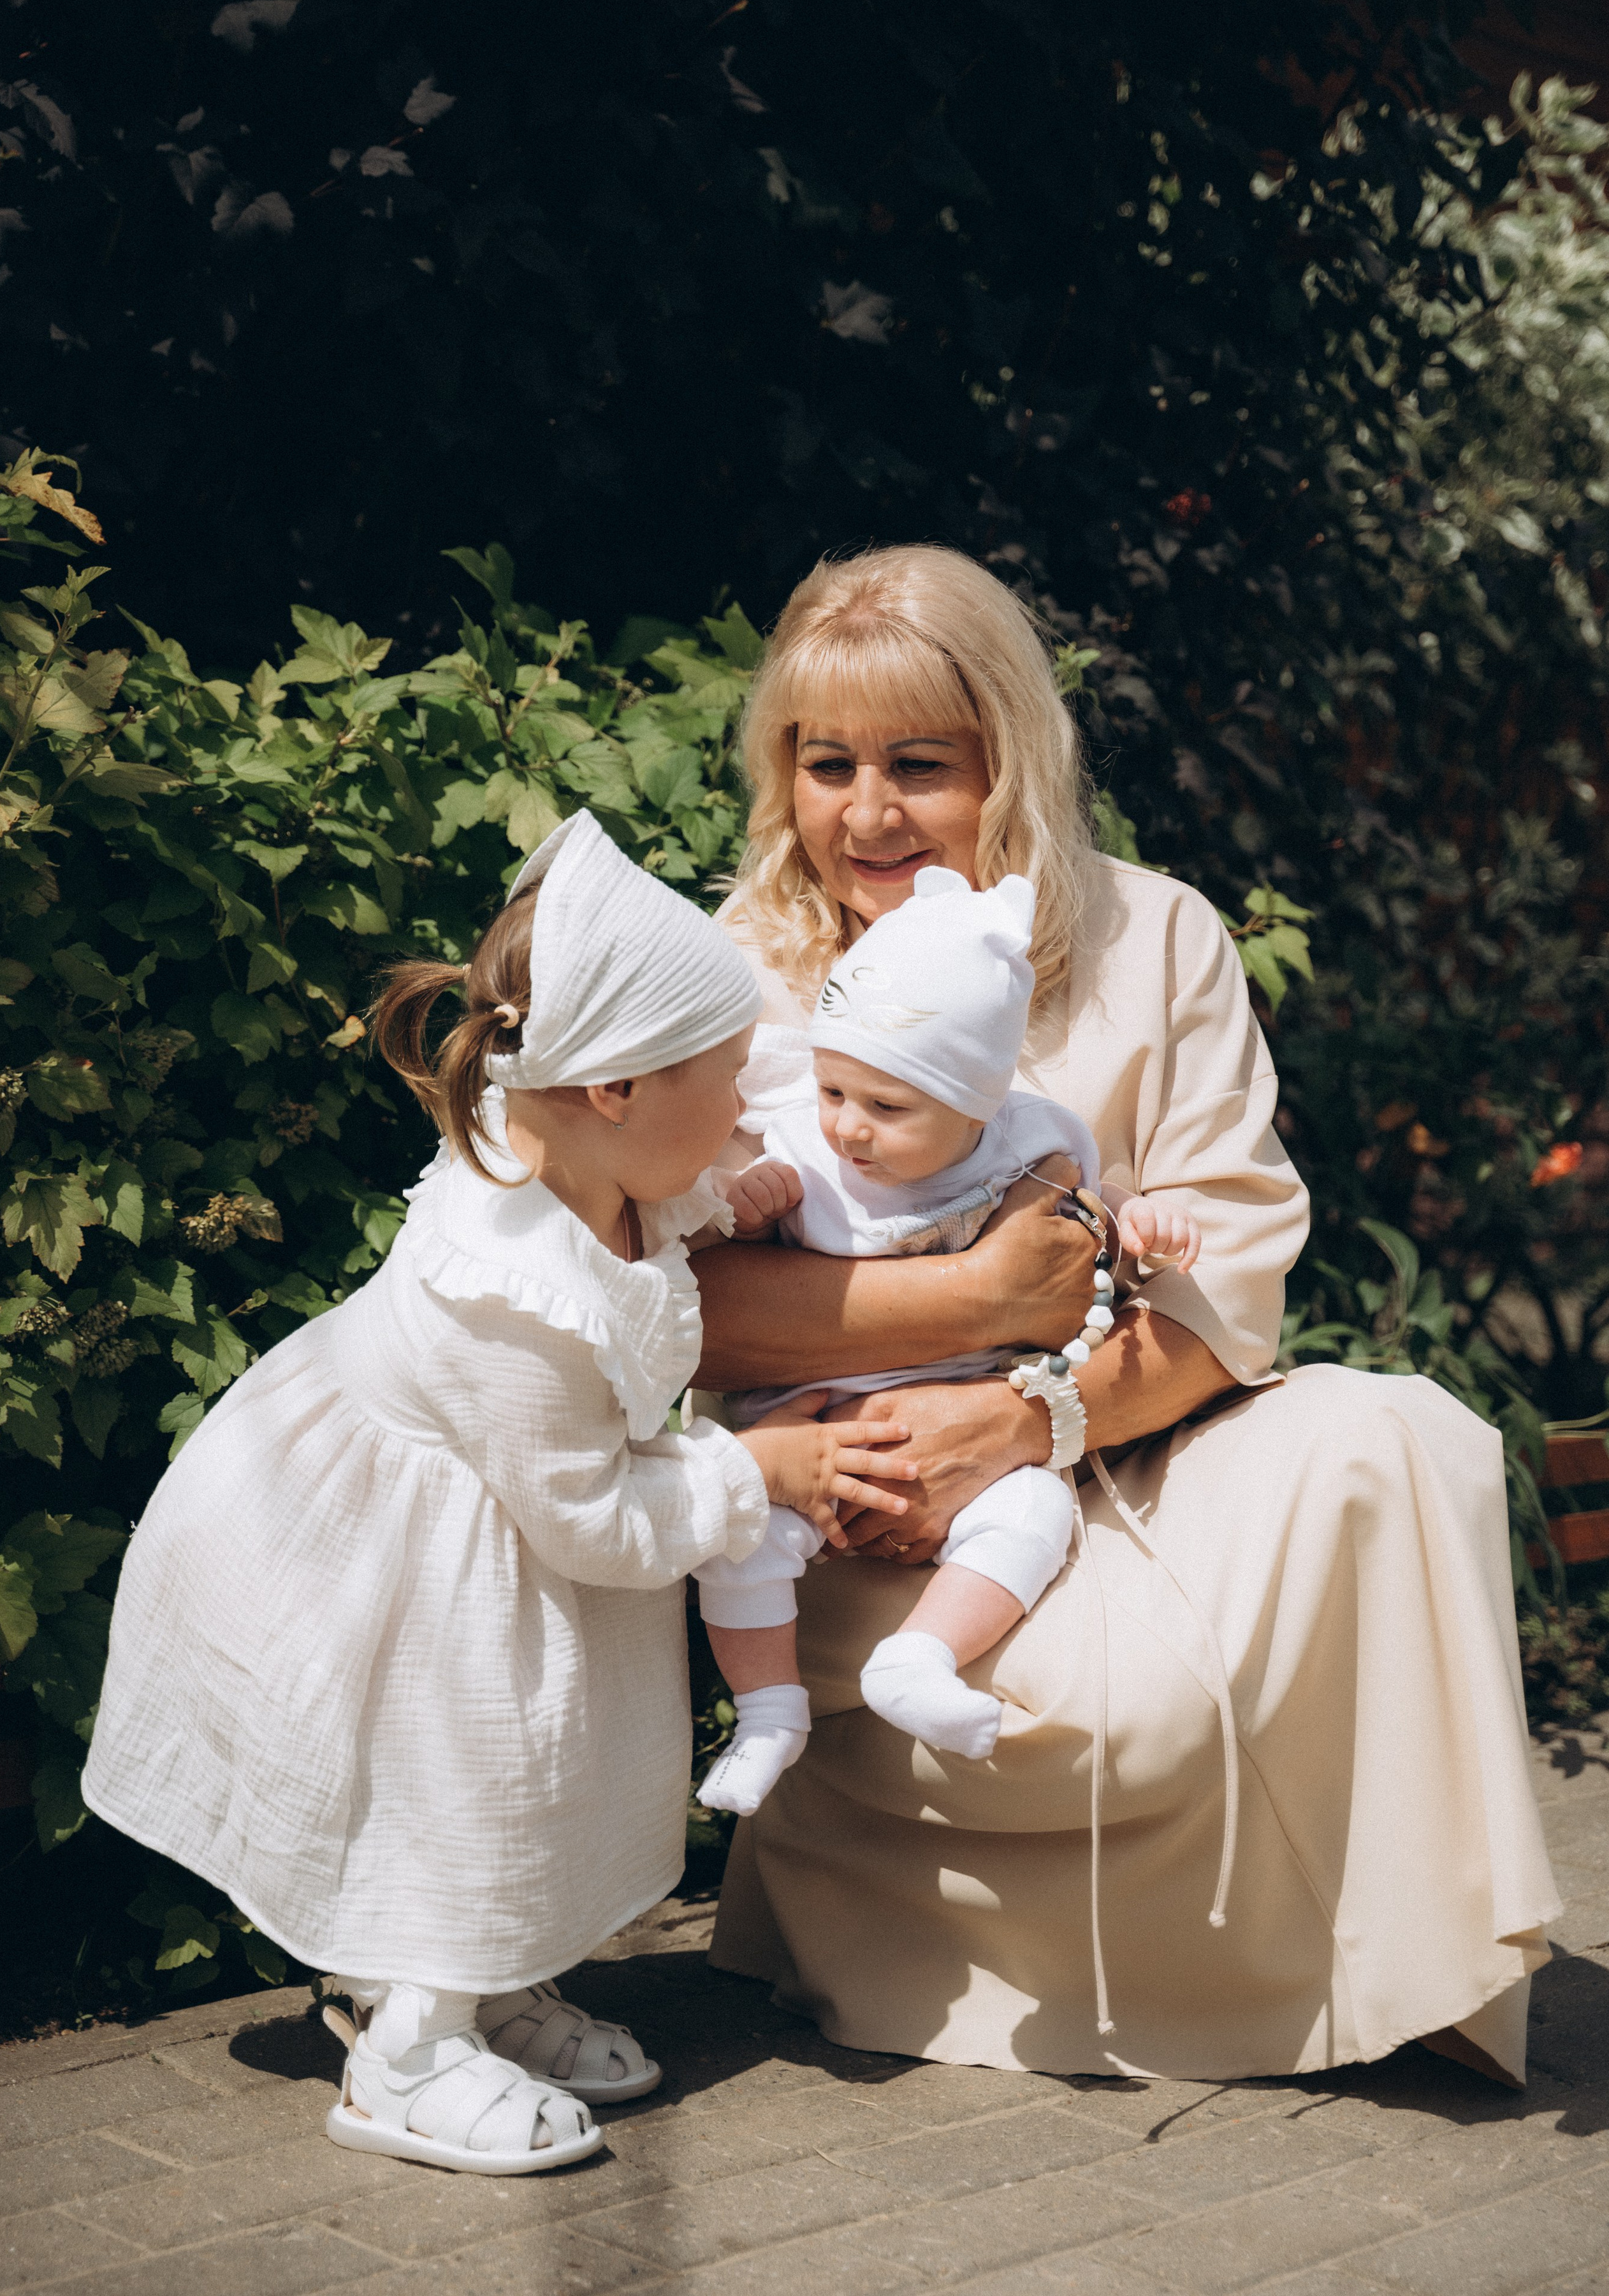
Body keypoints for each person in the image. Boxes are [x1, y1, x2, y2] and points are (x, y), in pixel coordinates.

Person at [694, 542, 1559, 2087]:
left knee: (1402, 1437)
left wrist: (1033, 1414)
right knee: (1106, 1701)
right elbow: (680, 1312)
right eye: (827, 764)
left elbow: (1226, 1277)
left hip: (1124, 1435)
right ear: (783, 773)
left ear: (1007, 757)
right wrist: (966, 1306)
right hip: (846, 1486)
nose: (869, 813)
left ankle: (1412, 1963)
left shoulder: (1153, 938)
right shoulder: (738, 972)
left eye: (920, 764)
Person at [83, 810, 911, 2177]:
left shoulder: (588, 1153)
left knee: (543, 1774)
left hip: (494, 1525)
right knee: (456, 1776)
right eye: (727, 1080)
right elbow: (589, 1519)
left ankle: (494, 1981)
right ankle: (406, 2046)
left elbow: (668, 1210)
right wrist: (751, 1468)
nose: (752, 1109)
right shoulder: (509, 1287)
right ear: (613, 1091)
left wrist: (736, 1191)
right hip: (382, 1547)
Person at [692, 864, 1199, 1817]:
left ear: (978, 1105)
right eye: (834, 1088)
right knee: (737, 1529)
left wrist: (1140, 1222)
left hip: (974, 1416)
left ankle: (920, 1659)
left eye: (887, 1109)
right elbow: (729, 1260)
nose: (851, 1128)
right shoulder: (800, 1147)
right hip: (815, 1431)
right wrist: (747, 1204)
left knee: (1036, 1515)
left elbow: (1087, 1213)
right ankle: (767, 1710)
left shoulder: (1029, 1138)